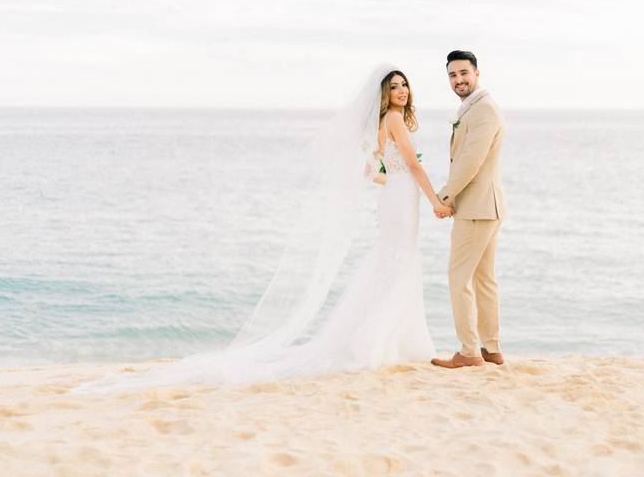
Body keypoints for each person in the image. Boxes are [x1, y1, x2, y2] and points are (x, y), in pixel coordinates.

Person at [72, 64, 440, 393]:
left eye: (404, 85)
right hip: (402, 199)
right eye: (394, 87)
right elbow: (412, 166)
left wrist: (395, 183)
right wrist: (435, 200)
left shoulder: (384, 124)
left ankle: (388, 337)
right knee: (400, 258)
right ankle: (388, 340)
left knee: (394, 259)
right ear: (384, 94)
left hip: (396, 197)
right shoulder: (393, 119)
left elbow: (373, 172)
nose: (401, 91)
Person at [431, 50, 508, 369]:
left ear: (477, 73)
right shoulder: (473, 108)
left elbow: (470, 162)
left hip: (477, 208)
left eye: (463, 73)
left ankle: (468, 351)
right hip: (484, 207)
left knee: (458, 278)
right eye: (452, 75)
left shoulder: (484, 110)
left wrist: (445, 196)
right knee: (482, 279)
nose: (458, 80)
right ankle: (491, 348)